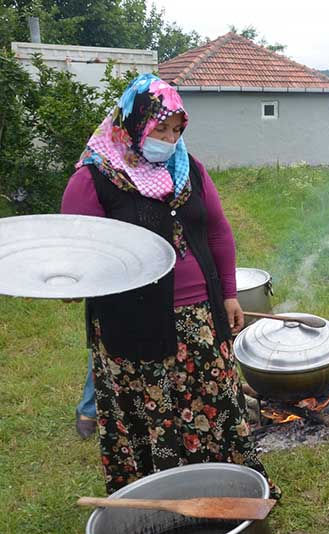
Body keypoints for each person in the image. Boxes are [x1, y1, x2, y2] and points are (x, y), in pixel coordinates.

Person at [62, 73, 277, 496]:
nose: (170, 138)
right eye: (161, 127)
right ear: (133, 121)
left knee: (212, 406)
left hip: (199, 317)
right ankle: (158, 502)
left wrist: (229, 292)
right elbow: (76, 248)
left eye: (177, 129)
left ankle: (228, 492)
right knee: (150, 410)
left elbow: (217, 231)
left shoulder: (188, 168)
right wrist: (71, 278)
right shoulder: (96, 178)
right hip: (132, 323)